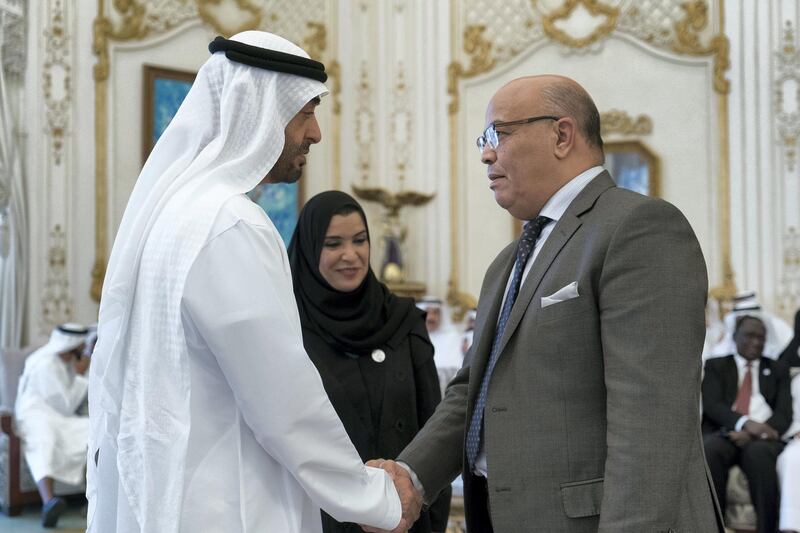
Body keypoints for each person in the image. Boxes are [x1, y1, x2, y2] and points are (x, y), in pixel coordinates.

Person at [88, 31, 418, 533]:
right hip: (228, 505)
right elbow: (282, 401)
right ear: (259, 110)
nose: (316, 134)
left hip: (172, 495)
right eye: (305, 112)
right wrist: (373, 499)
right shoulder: (230, 222)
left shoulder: (175, 213)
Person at [369, 75, 723, 532]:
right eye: (484, 139)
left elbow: (651, 423)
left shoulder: (637, 228)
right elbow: (473, 391)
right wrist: (413, 477)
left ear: (561, 135)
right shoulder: (509, 261)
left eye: (500, 134)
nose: (486, 153)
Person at [287, 190, 450, 533]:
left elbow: (434, 432)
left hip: (405, 524)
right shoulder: (288, 331)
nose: (351, 255)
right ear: (309, 250)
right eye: (333, 244)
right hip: (321, 522)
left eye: (360, 240)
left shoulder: (404, 322)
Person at [702, 315, 793, 533]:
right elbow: (713, 405)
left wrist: (753, 434)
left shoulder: (778, 370)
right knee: (710, 449)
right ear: (735, 337)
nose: (756, 342)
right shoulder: (717, 366)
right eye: (750, 336)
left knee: (759, 453)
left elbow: (783, 414)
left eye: (761, 337)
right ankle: (714, 527)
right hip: (725, 434)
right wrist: (744, 423)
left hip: (762, 439)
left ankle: (767, 529)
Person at [15, 323, 90, 527]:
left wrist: (78, 374)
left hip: (59, 417)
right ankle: (49, 502)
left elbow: (64, 409)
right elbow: (65, 405)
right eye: (80, 349)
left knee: (92, 430)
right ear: (69, 348)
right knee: (45, 439)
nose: (82, 353)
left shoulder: (63, 363)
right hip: (35, 414)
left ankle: (92, 499)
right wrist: (80, 375)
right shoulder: (45, 363)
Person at [415, 297, 462, 395]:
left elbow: (458, 371)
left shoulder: (452, 337)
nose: (431, 317)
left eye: (436, 313)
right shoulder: (413, 337)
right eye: (427, 312)